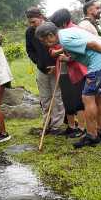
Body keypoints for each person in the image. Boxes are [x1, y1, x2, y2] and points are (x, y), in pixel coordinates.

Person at [35, 21, 101, 149]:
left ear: (50, 35)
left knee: (87, 97)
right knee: (98, 96)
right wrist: (67, 59)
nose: (44, 44)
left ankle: (92, 136)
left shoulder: (65, 40)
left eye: (44, 41)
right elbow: (88, 45)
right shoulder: (67, 32)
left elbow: (93, 44)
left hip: (99, 64)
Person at [25, 7, 65, 136]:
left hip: (56, 67)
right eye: (29, 22)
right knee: (45, 98)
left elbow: (62, 47)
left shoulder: (52, 28)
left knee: (57, 97)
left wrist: (56, 64)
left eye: (33, 21)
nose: (31, 25)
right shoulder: (30, 32)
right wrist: (39, 62)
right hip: (41, 70)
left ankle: (57, 126)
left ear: (41, 17)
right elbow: (30, 50)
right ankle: (47, 124)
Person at [49, 8, 86, 138]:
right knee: (67, 99)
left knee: (78, 99)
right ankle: (71, 126)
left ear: (64, 22)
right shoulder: (59, 32)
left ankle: (81, 128)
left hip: (77, 70)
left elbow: (82, 51)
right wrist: (59, 52)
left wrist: (67, 57)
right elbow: (52, 49)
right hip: (63, 70)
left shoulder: (76, 30)